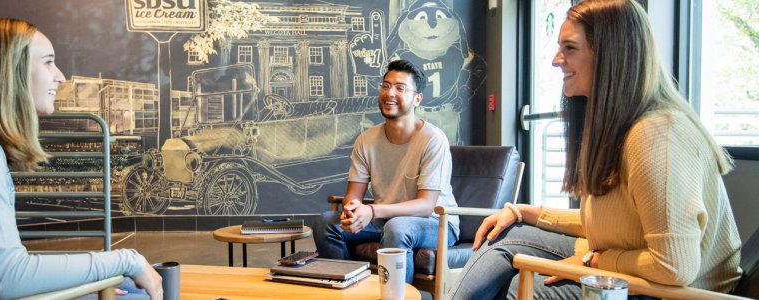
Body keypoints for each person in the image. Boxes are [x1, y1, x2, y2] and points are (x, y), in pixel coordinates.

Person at [448, 0, 742, 299]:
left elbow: (673, 267)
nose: (555, 60)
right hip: (641, 266)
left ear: (610, 54)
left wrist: (595, 261)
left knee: (522, 290)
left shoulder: (657, 135)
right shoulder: (623, 126)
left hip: (680, 291)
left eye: (570, 48)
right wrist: (524, 212)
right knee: (504, 236)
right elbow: (615, 226)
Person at [0, 17, 163, 299]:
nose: (61, 76)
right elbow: (9, 276)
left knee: (128, 286)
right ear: (8, 72)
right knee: (141, 290)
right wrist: (127, 258)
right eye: (47, 62)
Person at [312, 59, 459, 284]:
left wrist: (371, 211)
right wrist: (352, 210)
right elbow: (354, 193)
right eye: (386, 85)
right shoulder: (366, 140)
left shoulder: (433, 139)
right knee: (326, 223)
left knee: (398, 227)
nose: (390, 93)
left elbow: (426, 205)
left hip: (435, 222)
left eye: (400, 88)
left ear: (417, 99)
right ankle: (351, 291)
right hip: (386, 219)